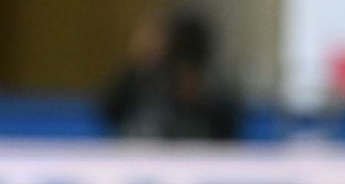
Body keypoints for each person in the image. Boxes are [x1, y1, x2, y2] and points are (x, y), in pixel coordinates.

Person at [99, 8, 241, 142]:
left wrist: (199, 99)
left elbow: (228, 127)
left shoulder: (212, 85)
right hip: (142, 155)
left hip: (198, 157)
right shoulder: (143, 77)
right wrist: (136, 67)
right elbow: (111, 110)